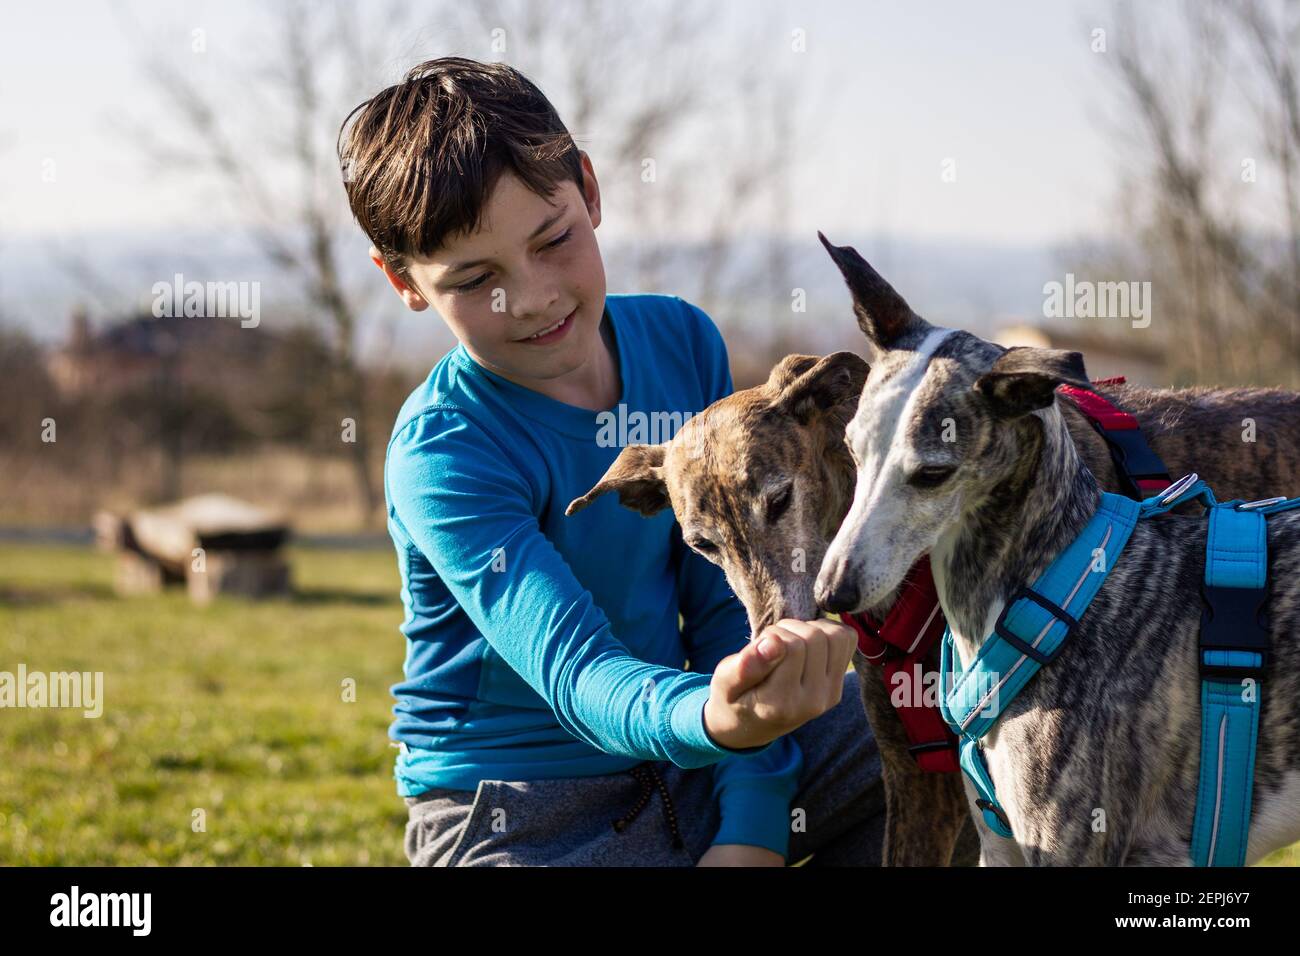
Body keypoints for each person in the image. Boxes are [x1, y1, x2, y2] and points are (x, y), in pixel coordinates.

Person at [337, 56, 884, 866]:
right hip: (516, 817)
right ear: (404, 282)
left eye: (553, 239)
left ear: (589, 191)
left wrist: (751, 829)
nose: (530, 297)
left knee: (913, 727)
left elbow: (729, 610)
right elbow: (578, 671)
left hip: (695, 763)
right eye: (474, 279)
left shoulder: (680, 340)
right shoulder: (444, 451)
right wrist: (717, 721)